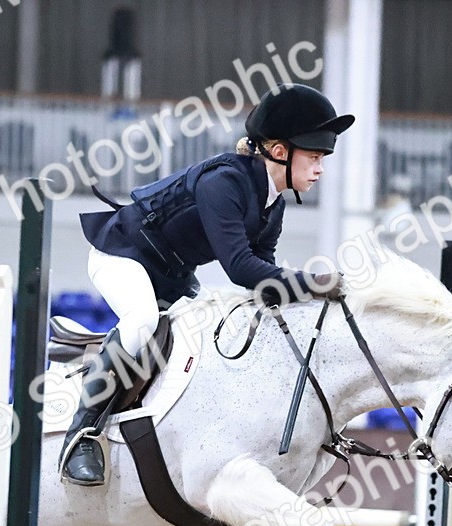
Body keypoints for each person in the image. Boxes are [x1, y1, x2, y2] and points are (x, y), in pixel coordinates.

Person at [60, 83, 354, 487]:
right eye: (315, 157)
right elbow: (241, 268)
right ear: (279, 152)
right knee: (143, 320)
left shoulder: (273, 204)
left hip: (173, 274)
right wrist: (316, 283)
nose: (320, 169)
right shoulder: (224, 182)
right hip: (122, 255)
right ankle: (81, 435)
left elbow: (263, 277)